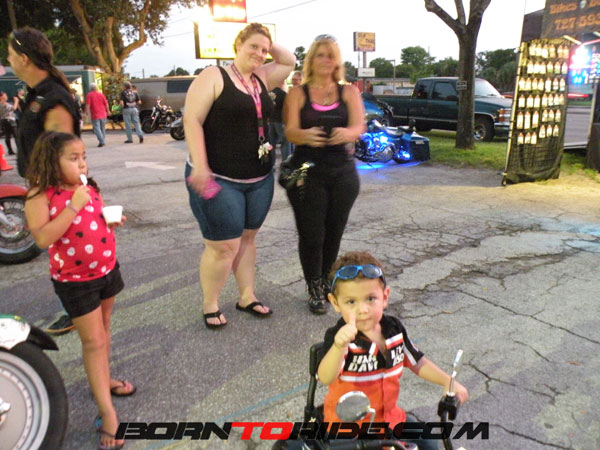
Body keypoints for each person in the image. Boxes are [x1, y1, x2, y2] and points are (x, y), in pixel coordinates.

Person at [24, 131, 134, 450]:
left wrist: (110, 221)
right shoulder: (40, 196)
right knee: (93, 341)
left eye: (84, 156)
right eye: (73, 158)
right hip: (75, 281)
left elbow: (93, 220)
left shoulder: (88, 187)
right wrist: (73, 207)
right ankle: (107, 412)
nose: (82, 163)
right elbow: (43, 238)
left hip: (107, 270)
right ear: (50, 161)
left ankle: (104, 379)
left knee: (104, 331)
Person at [184, 23, 295, 328]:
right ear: (237, 45)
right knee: (223, 246)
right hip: (218, 176)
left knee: (247, 238)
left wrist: (266, 41)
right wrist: (200, 165)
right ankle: (210, 303)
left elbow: (289, 61)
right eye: (253, 47)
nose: (259, 54)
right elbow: (192, 120)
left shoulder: (262, 77)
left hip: (258, 178)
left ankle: (247, 296)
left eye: (264, 50)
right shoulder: (214, 75)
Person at [318, 251, 469, 450]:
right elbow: (326, 376)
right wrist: (339, 347)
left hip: (391, 419)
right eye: (351, 302)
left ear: (385, 297)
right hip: (348, 428)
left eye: (370, 298)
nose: (363, 309)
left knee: (430, 443)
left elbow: (417, 362)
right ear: (335, 303)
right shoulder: (338, 338)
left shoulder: (394, 330)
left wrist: (448, 381)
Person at [8, 27, 82, 335]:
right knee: (59, 252)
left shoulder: (53, 98)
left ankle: (77, 310)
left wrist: (49, 195)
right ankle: (76, 307)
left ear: (24, 58)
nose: (8, 60)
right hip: (42, 187)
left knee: (66, 251)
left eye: (10, 55)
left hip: (55, 190)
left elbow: (66, 154)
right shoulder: (36, 94)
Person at [283, 34, 365, 314]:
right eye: (320, 55)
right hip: (308, 171)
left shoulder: (349, 92)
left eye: (331, 55)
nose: (326, 60)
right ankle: (314, 285)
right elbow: (290, 131)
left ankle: (327, 280)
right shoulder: (298, 93)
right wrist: (305, 135)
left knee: (334, 232)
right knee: (312, 234)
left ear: (337, 61)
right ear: (311, 60)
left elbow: (359, 126)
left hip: (342, 172)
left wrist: (348, 133)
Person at [268, 80, 291, 161]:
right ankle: (285, 161)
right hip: (280, 120)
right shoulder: (283, 94)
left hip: (270, 120)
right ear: (281, 83)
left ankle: (271, 162)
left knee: (271, 143)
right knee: (285, 142)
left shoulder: (268, 93)